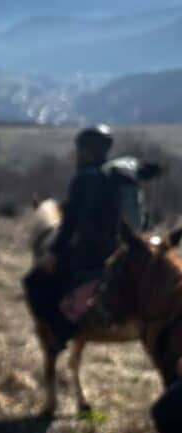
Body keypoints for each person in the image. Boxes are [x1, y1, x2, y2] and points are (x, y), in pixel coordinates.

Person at [24, 125, 144, 353]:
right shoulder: (112, 177)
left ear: (86, 151)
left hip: (88, 253)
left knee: (34, 281)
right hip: (114, 249)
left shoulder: (83, 178)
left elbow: (70, 223)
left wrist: (54, 253)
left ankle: (60, 332)